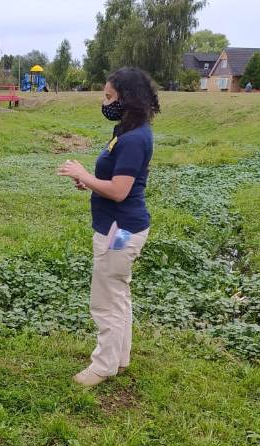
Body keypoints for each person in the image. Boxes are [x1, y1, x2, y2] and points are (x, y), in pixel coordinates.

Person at [58, 67, 159, 387]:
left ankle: (102, 366)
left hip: (120, 232)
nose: (105, 102)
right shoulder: (127, 131)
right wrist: (89, 182)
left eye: (109, 97)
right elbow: (113, 182)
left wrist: (84, 175)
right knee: (118, 295)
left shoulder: (133, 139)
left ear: (127, 99)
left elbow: (119, 191)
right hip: (119, 227)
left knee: (105, 300)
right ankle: (119, 357)